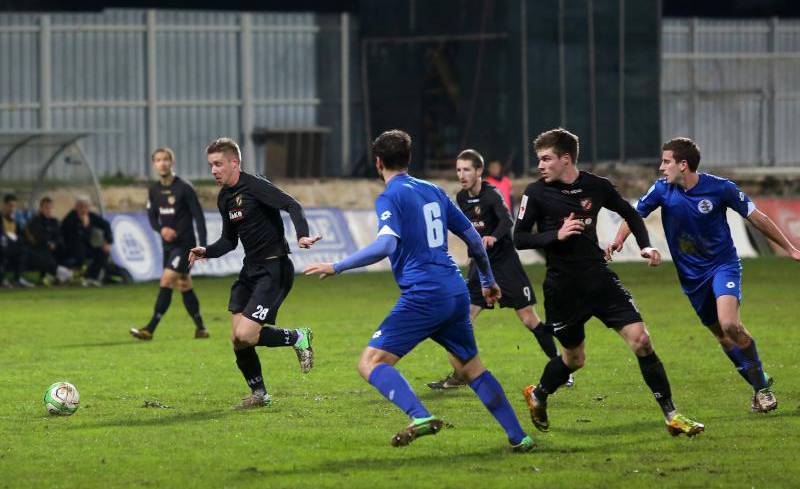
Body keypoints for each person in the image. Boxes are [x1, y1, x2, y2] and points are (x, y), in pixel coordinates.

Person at [304, 130, 536, 452]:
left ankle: (420, 416)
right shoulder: (434, 190)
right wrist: (486, 280)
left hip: (424, 295)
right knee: (471, 368)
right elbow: (473, 238)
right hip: (455, 291)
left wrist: (337, 266)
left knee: (370, 363)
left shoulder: (390, 196)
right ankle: (519, 437)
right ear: (409, 159)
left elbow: (385, 245)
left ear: (378, 162)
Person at [513, 128, 704, 437]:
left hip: (599, 280)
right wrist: (555, 235)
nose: (540, 165)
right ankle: (539, 394)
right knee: (574, 359)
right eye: (540, 159)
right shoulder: (536, 192)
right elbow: (519, 238)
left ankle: (672, 415)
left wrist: (645, 245)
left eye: (546, 159)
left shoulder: (597, 186)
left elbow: (631, 213)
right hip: (563, 289)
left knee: (642, 340)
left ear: (566, 159)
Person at [606, 137, 799, 413]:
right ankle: (757, 381)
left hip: (722, 266)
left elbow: (757, 217)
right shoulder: (661, 190)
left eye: (666, 162)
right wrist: (618, 240)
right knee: (722, 336)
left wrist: (789, 248)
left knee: (730, 324)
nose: (661, 167)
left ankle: (761, 390)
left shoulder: (721, 188)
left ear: (683, 165)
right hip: (691, 277)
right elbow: (634, 215)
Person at [188, 137, 321, 409]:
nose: (213, 170)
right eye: (211, 165)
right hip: (250, 270)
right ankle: (259, 394)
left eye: (218, 164)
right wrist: (207, 251)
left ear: (234, 163)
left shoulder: (255, 186)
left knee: (246, 335)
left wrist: (302, 235)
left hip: (274, 269)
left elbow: (292, 205)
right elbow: (229, 241)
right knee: (238, 339)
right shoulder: (225, 197)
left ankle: (298, 337)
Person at [427, 149, 572, 390]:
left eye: (466, 170)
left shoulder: (491, 194)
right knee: (463, 319)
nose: (461, 175)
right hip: (480, 265)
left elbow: (507, 221)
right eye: (458, 170)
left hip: (505, 263)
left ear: (479, 171)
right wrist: (472, 253)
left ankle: (562, 369)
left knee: (529, 319)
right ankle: (460, 375)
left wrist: (493, 237)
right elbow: (467, 229)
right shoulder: (461, 198)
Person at [130, 147, 210, 340]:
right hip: (168, 246)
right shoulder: (154, 190)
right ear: (154, 164)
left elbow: (199, 217)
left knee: (166, 280)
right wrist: (161, 230)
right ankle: (201, 329)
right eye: (158, 160)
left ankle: (149, 329)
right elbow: (151, 216)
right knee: (184, 284)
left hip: (185, 245)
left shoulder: (184, 188)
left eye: (166, 159)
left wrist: (203, 246)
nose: (162, 163)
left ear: (172, 162)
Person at [61, 197, 114, 286]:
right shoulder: (70, 218)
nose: (83, 209)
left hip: (86, 247)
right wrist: (83, 225)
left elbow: (106, 225)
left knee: (103, 253)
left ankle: (92, 277)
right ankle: (77, 277)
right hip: (71, 248)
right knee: (80, 253)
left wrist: (108, 242)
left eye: (86, 207)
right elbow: (73, 236)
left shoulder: (90, 216)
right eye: (81, 207)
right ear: (76, 207)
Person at [23, 196, 63, 285]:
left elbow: (58, 235)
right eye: (46, 208)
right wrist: (49, 243)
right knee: (45, 254)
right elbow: (39, 236)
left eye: (50, 208)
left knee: (62, 250)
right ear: (41, 209)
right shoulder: (35, 221)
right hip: (37, 249)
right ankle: (53, 275)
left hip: (51, 249)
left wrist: (54, 243)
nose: (49, 210)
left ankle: (54, 275)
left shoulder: (54, 221)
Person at [1, 194, 34, 288]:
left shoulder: (15, 221)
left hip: (9, 247)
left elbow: (18, 235)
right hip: (2, 246)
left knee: (23, 249)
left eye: (14, 206)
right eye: (10, 206)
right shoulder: (1, 219)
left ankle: (18, 278)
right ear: (4, 205)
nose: (12, 209)